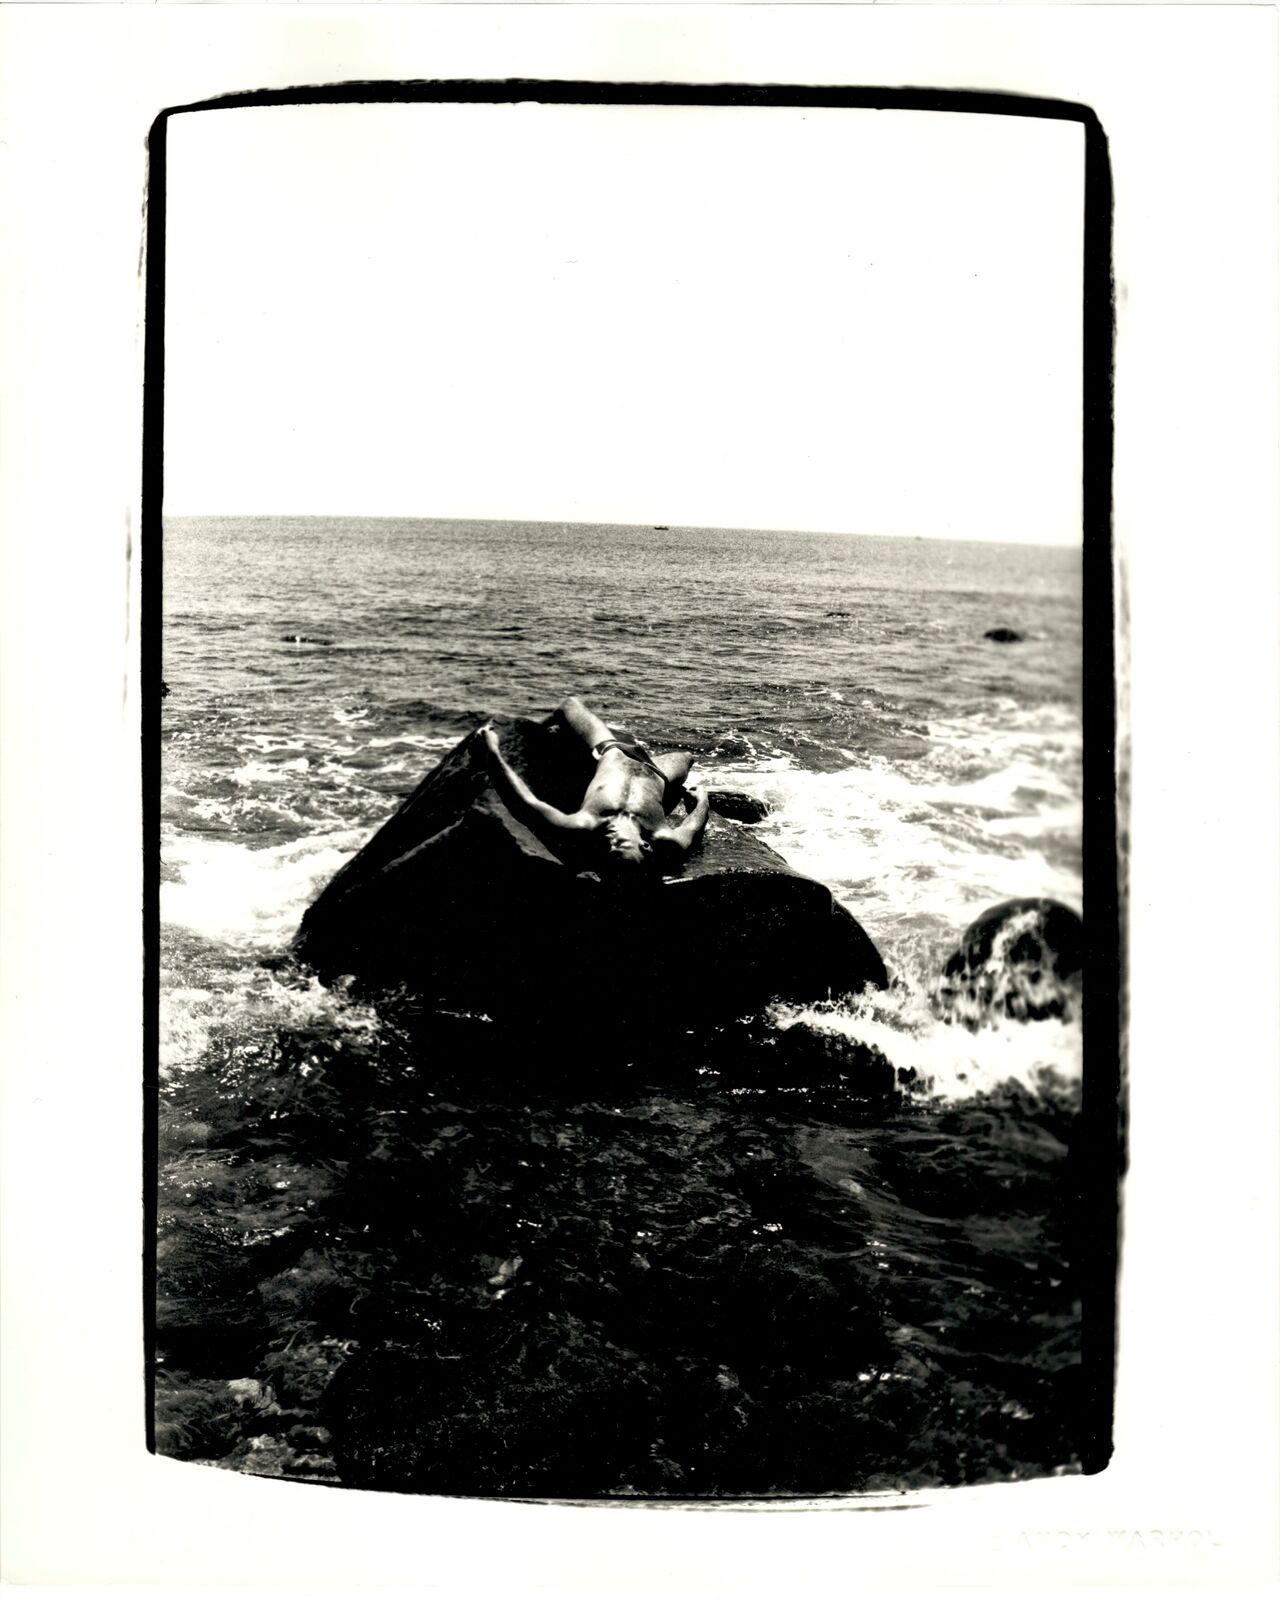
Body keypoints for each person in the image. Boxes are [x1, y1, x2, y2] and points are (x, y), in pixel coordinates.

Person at [479, 694, 711, 875]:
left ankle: (545, 731)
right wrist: (702, 800)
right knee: (688, 758)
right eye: (618, 846)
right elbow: (694, 826)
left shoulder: (585, 825)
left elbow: (524, 805)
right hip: (657, 772)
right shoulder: (666, 839)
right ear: (645, 847)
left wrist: (491, 752)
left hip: (608, 750)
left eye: (606, 851)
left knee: (569, 705)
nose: (607, 844)